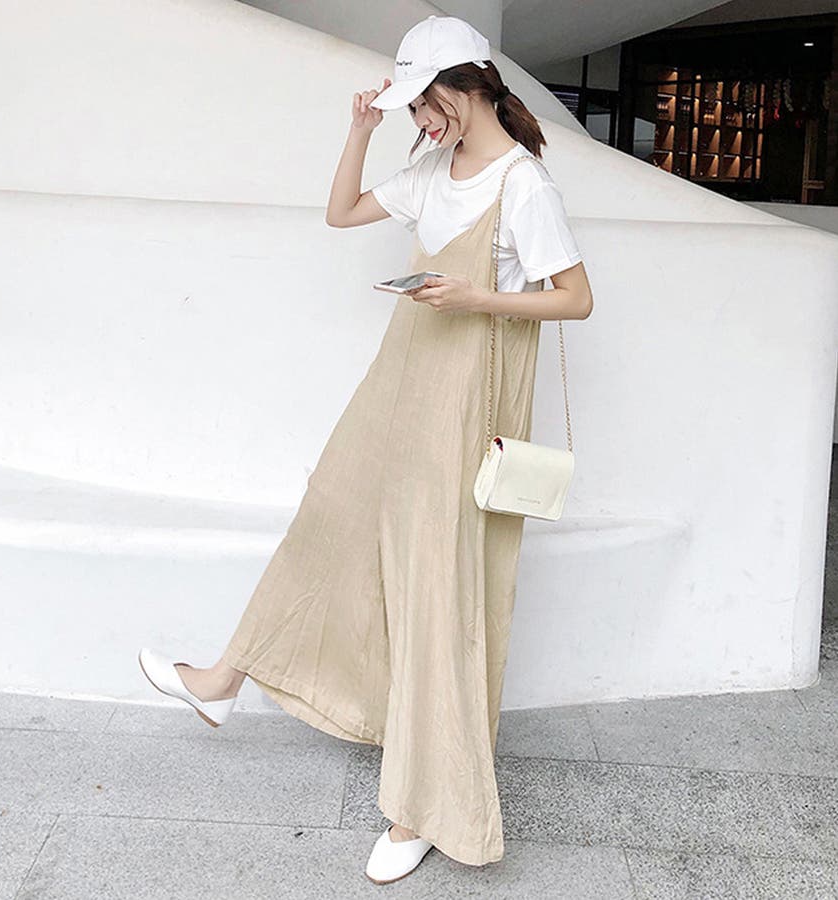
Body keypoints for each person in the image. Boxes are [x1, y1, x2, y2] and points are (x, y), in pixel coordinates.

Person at [138, 13, 592, 886]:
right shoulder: (432, 169)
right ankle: (224, 681)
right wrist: (359, 128)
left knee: (433, 585)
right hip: (399, 385)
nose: (418, 121)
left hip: (463, 408)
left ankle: (421, 806)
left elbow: (575, 298)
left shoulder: (524, 185)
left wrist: (478, 298)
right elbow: (341, 212)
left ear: (464, 90)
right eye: (410, 110)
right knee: (331, 520)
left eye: (423, 105)